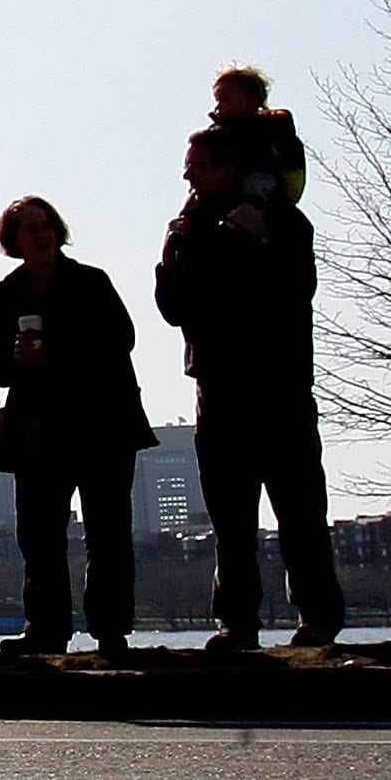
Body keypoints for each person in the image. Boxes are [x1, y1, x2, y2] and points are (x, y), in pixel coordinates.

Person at [158, 125, 343, 650]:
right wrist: (172, 253)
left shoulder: (282, 218)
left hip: (279, 385)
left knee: (301, 512)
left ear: (228, 168)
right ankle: (237, 623)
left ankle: (319, 621)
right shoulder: (189, 228)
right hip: (218, 389)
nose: (187, 173)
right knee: (230, 518)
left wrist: (258, 240)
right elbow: (173, 308)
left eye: (198, 163)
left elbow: (296, 289)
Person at [0, 196, 151, 658]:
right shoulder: (6, 294)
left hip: (102, 424)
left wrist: (59, 354)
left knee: (108, 531)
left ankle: (110, 630)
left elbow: (121, 339)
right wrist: (14, 360)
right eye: (28, 227)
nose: (40, 233)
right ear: (13, 241)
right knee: (38, 535)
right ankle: (46, 628)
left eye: (45, 224)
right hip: (37, 432)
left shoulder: (91, 282)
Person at [209, 65, 307, 208]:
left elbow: (264, 170)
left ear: (250, 101)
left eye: (225, 100)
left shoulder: (263, 133)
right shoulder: (220, 133)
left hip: (263, 198)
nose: (218, 107)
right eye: (217, 100)